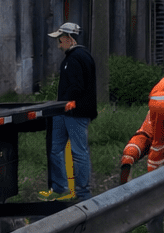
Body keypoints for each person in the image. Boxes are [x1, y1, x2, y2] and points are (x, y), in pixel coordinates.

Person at [40, 22, 97, 202]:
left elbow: (76, 87)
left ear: (68, 38)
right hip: (65, 112)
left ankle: (82, 193)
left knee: (77, 152)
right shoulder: (80, 56)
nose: (58, 45)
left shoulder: (74, 58)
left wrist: (66, 103)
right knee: (57, 149)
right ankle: (61, 188)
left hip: (74, 112)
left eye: (60, 40)